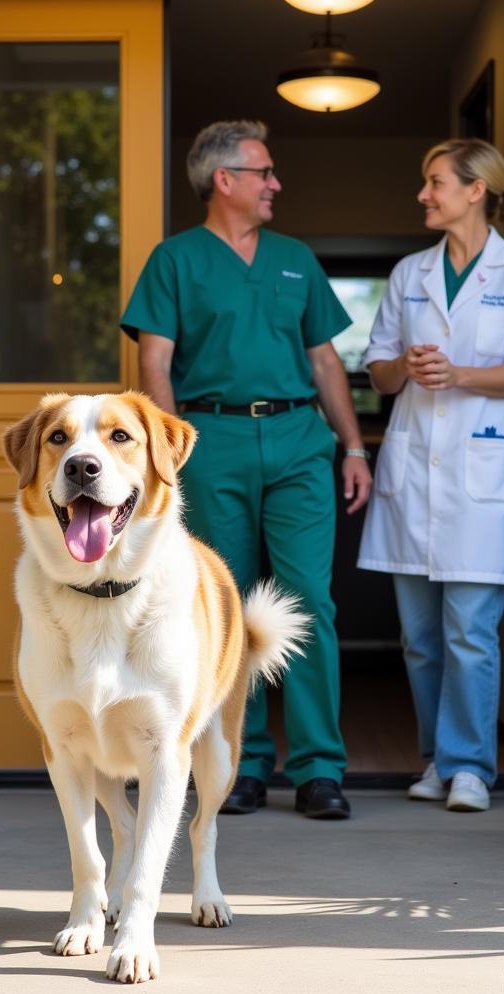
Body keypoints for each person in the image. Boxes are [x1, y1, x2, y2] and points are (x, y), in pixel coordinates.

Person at [121, 119, 372, 820]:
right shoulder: (174, 261)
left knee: (307, 601)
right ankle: (242, 761)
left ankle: (320, 766)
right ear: (223, 180)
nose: (276, 184)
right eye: (264, 172)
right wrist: (167, 455)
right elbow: (154, 363)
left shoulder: (294, 258)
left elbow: (325, 360)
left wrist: (352, 447)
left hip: (298, 439)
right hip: (212, 438)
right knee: (226, 607)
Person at [357, 138, 504, 812]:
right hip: (414, 472)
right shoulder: (411, 273)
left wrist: (459, 373)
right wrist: (404, 367)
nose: (423, 194)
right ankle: (436, 759)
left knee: (471, 629)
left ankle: (471, 766)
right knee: (419, 638)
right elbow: (377, 368)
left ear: (476, 190)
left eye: (434, 183)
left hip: (482, 475)